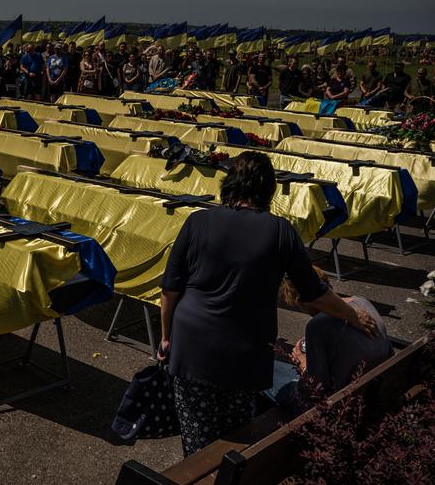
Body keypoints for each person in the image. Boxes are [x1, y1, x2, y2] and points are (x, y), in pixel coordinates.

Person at [158, 152, 378, 457]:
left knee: (198, 441)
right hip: (245, 353)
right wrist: (351, 315)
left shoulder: (197, 221)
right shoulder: (280, 231)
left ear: (229, 185)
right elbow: (313, 293)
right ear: (268, 189)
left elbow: (170, 291)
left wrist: (166, 337)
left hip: (192, 347)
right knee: (236, 436)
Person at [266, 266, 391, 410]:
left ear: (301, 300)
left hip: (340, 404)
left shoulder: (317, 326)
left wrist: (303, 361)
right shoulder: (362, 302)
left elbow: (315, 389)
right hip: (373, 388)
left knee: (259, 370)